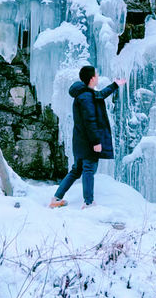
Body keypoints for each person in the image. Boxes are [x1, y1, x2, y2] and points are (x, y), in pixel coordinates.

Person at [49, 65, 127, 208]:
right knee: (89, 169)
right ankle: (89, 202)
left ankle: (56, 198)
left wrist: (115, 85)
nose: (97, 77)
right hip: (87, 143)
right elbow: (90, 120)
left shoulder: (85, 94)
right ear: (92, 78)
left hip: (80, 142)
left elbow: (100, 95)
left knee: (76, 170)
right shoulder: (86, 97)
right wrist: (96, 142)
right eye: (96, 75)